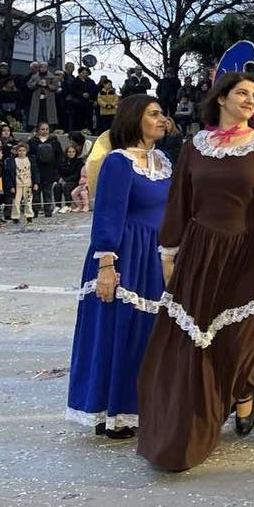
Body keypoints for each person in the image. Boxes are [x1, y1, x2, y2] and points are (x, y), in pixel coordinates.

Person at [136, 72, 254, 472]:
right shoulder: (195, 146)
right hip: (201, 252)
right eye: (241, 93)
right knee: (198, 339)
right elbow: (179, 202)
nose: (249, 100)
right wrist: (168, 254)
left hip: (249, 252)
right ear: (221, 99)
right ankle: (193, 422)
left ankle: (243, 390)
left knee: (243, 336)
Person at [66, 96, 171, 439]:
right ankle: (114, 413)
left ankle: (142, 407)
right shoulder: (118, 162)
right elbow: (108, 214)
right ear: (134, 119)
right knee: (119, 333)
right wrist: (107, 266)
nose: (163, 119)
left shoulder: (164, 161)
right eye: (153, 114)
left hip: (154, 255)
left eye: (162, 113)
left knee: (146, 334)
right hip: (125, 254)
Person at [31, 121, 65, 217]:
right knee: (36, 193)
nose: (45, 131)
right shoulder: (33, 141)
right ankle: (35, 212)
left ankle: (48, 211)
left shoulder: (54, 141)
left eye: (46, 129)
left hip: (50, 171)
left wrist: (56, 169)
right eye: (42, 129)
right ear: (38, 130)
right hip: (37, 170)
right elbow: (30, 155)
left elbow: (59, 156)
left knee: (48, 192)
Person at [5, 139, 39, 224]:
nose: (22, 152)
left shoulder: (30, 160)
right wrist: (11, 186)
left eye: (23, 150)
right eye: (20, 151)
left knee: (28, 201)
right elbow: (8, 175)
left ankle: (29, 216)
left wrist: (36, 183)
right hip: (17, 184)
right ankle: (15, 217)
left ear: (26, 151)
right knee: (16, 202)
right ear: (16, 151)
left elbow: (35, 172)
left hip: (28, 184)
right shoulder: (12, 161)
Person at [27, 62, 59, 128]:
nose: (42, 69)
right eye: (41, 67)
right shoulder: (34, 76)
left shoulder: (52, 77)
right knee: (37, 113)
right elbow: (29, 85)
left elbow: (56, 87)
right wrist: (36, 84)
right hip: (37, 97)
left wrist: (47, 85)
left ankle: (49, 127)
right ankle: (36, 127)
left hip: (48, 98)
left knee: (48, 113)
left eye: (44, 67)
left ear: (47, 68)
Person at [58, 141, 84, 213]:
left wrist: (66, 180)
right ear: (66, 153)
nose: (71, 153)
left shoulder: (79, 162)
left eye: (73, 152)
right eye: (69, 152)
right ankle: (57, 206)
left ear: (76, 153)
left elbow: (77, 174)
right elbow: (58, 172)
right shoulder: (63, 161)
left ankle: (68, 205)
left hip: (75, 181)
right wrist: (59, 179)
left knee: (66, 185)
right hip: (64, 180)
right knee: (57, 186)